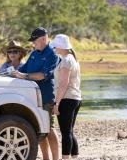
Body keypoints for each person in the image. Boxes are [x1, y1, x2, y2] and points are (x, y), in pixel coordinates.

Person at [12, 27, 60, 160]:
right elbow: (22, 69)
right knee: (40, 129)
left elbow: (43, 75)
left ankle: (56, 158)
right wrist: (13, 73)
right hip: (31, 98)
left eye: (35, 40)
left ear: (44, 39)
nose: (33, 43)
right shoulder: (34, 54)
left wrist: (24, 76)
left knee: (49, 128)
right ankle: (46, 158)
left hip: (46, 97)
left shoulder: (52, 54)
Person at [51, 34, 82, 160]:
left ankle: (65, 158)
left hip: (67, 99)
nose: (54, 49)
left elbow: (64, 83)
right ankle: (74, 157)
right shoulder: (72, 59)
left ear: (61, 47)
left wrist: (56, 104)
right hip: (75, 98)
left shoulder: (66, 60)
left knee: (65, 132)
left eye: (56, 47)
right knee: (69, 131)